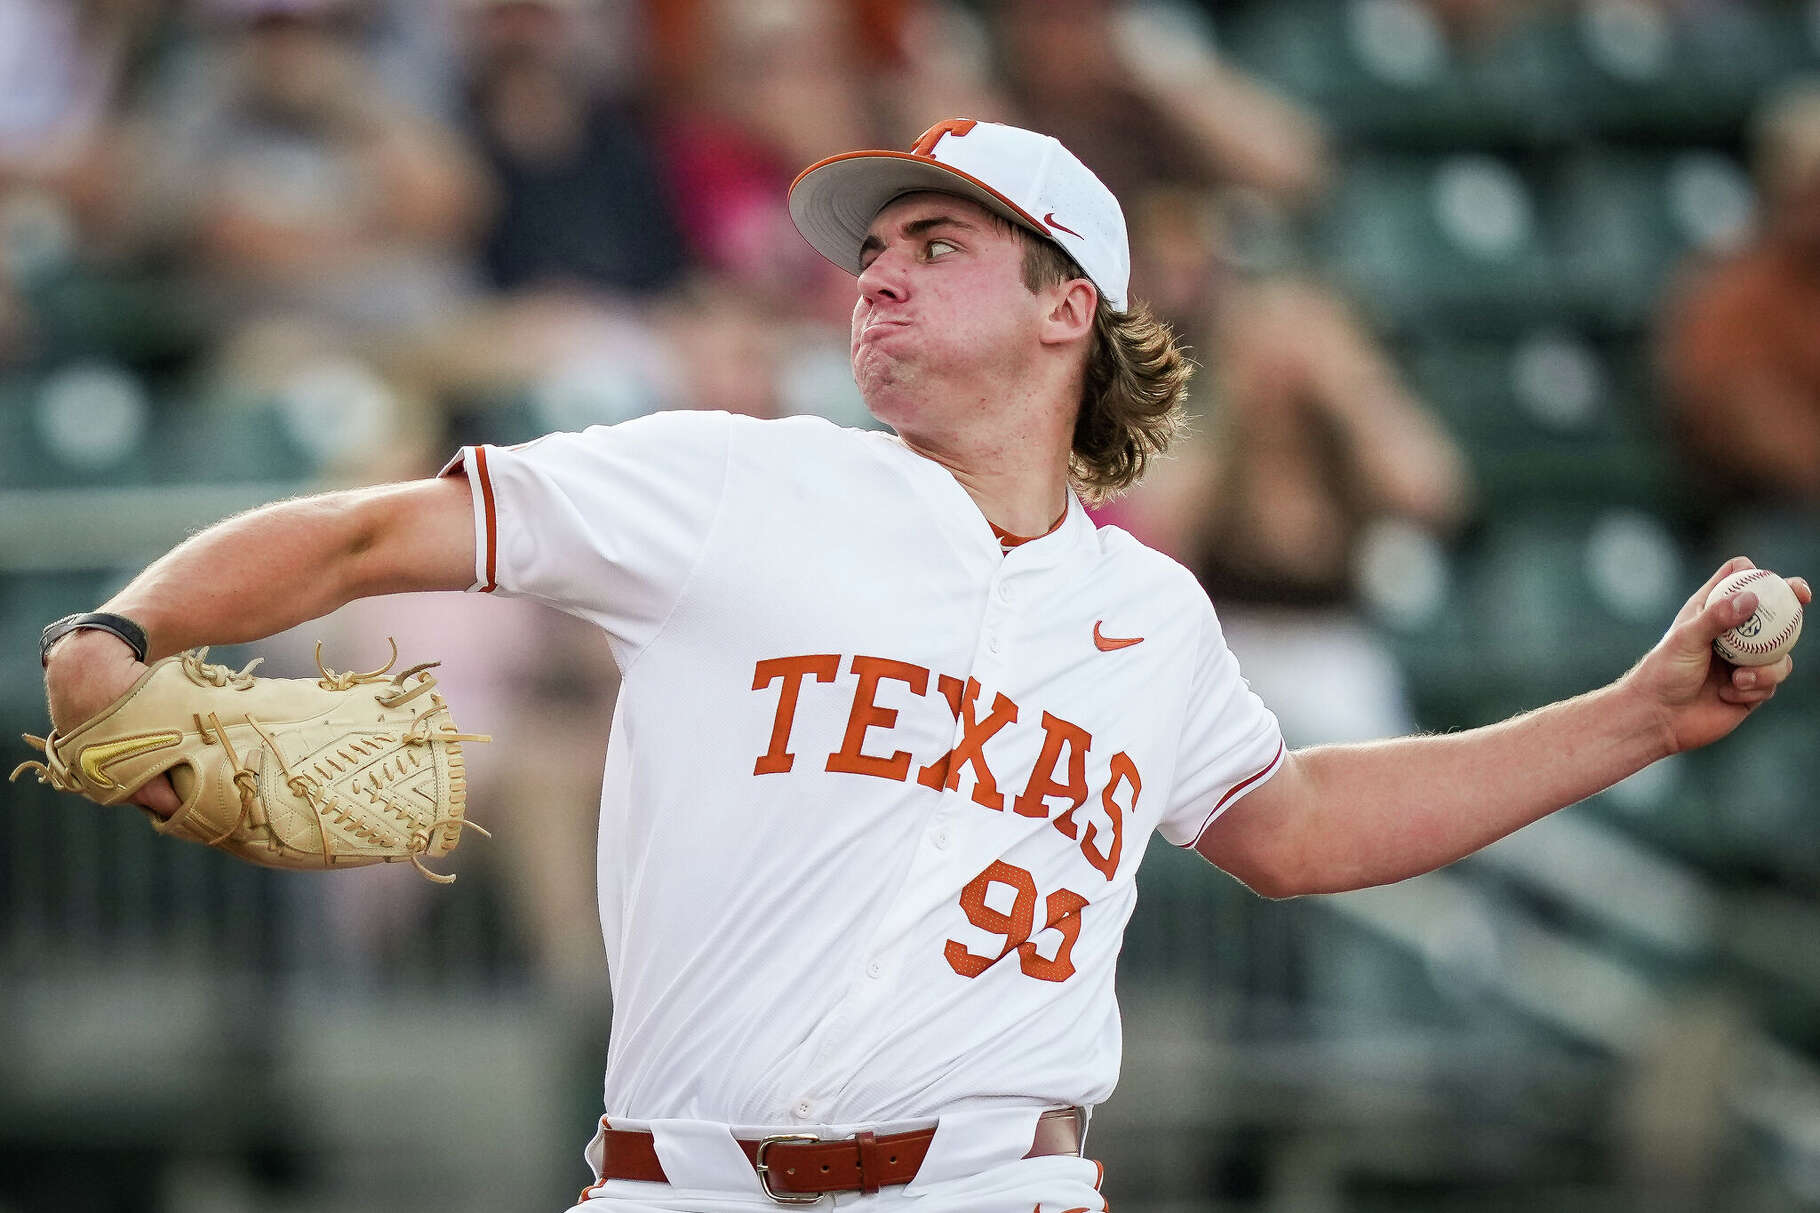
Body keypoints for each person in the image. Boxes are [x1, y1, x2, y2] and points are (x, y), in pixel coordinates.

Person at [36, 118, 1807, 1212]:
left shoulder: (1151, 619)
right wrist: (128, 628)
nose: (875, 276)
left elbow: (1295, 823)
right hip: (674, 1189)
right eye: (868, 251)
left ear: (1068, 309)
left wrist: (1641, 715)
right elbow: (367, 533)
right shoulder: (735, 479)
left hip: (995, 1189)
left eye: (934, 244)